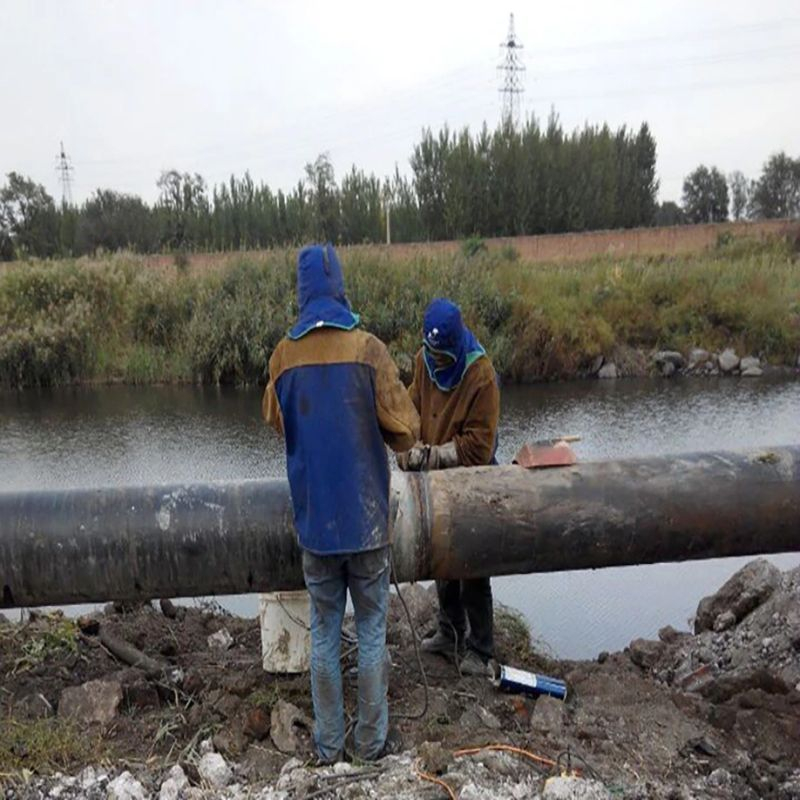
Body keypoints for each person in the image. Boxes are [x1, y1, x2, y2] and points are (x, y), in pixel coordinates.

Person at [262, 244, 420, 763]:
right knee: (372, 628)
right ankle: (371, 743)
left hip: (315, 526)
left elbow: (277, 420)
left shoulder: (284, 356)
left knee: (325, 632)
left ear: (302, 290)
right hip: (368, 523)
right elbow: (405, 432)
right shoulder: (369, 349)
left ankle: (329, 747)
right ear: (340, 286)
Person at [399, 297, 500, 676]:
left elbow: (479, 446)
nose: (437, 362)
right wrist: (406, 445)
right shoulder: (424, 362)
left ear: (457, 346)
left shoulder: (481, 375)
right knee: (443, 560)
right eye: (433, 355)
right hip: (436, 481)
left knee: (473, 563)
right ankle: (450, 632)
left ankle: (482, 647)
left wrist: (435, 456)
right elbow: (410, 410)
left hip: (471, 478)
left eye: (443, 357)